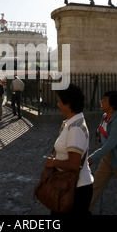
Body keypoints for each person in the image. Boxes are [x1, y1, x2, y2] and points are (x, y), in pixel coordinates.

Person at [44, 84, 93, 216]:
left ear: (68, 104)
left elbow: (73, 164)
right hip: (68, 186)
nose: (58, 104)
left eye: (60, 101)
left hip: (75, 189)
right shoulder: (71, 123)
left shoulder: (75, 129)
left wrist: (53, 163)